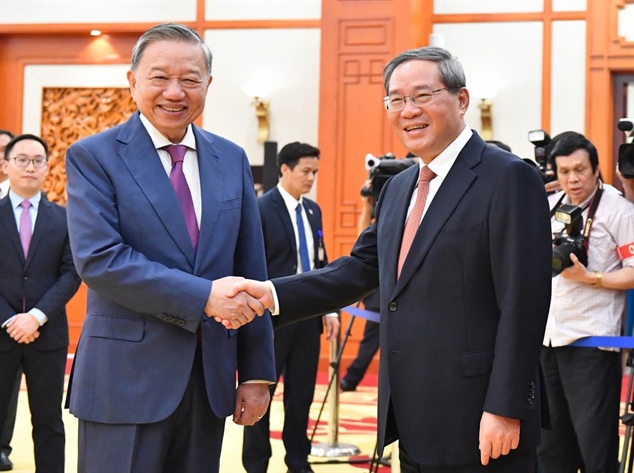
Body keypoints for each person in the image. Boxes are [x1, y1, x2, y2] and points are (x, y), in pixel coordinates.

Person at [223, 46, 553, 471]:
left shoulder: (508, 177)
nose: (407, 110)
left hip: (482, 420)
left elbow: (524, 305)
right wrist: (268, 294)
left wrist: (506, 408)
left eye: (422, 95)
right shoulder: (399, 188)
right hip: (410, 416)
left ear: (462, 99)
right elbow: (358, 269)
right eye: (395, 99)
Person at [64, 23, 275, 472]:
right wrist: (203, 297)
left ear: (208, 85)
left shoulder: (230, 157)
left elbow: (251, 267)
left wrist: (257, 372)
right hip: (123, 378)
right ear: (133, 80)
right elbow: (100, 260)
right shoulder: (94, 156)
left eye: (190, 79)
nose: (174, 92)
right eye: (159, 77)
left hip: (208, 378)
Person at [537, 131, 634, 473]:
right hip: (548, 338)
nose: (572, 179)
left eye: (580, 169)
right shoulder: (549, 205)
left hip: (593, 343)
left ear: (596, 168)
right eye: (564, 171)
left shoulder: (619, 210)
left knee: (594, 447)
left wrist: (591, 278)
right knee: (549, 446)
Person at [242, 142, 340, 473]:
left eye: (315, 172)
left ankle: (298, 461)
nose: (311, 178)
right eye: (306, 171)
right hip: (270, 321)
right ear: (285, 169)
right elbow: (251, 264)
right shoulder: (261, 208)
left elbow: (319, 263)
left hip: (308, 319)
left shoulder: (313, 211)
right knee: (260, 396)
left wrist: (329, 310)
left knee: (301, 398)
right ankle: (256, 464)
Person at [0, 134, 81, 473]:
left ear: (47, 168)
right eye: (22, 159)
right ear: (6, 165)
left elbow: (72, 273)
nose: (30, 166)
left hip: (47, 336)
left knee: (48, 422)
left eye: (37, 160)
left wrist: (37, 316)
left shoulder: (64, 218)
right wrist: (10, 320)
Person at [0, 130, 22, 472]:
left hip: (9, 312)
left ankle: (1, 446)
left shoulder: (30, 204)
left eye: (4, 150)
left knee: (5, 385)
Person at [340, 182, 380, 393]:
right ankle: (351, 379)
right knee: (370, 342)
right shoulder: (387, 201)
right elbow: (364, 237)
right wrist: (367, 206)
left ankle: (351, 378)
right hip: (380, 290)